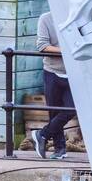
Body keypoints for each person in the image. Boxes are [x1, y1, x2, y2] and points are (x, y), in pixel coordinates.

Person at [30, 10, 74, 160]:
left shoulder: (74, 16)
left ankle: (42, 134)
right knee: (54, 112)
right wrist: (66, 51)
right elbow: (42, 45)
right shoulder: (46, 19)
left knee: (70, 109)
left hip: (73, 73)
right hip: (52, 71)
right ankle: (60, 149)